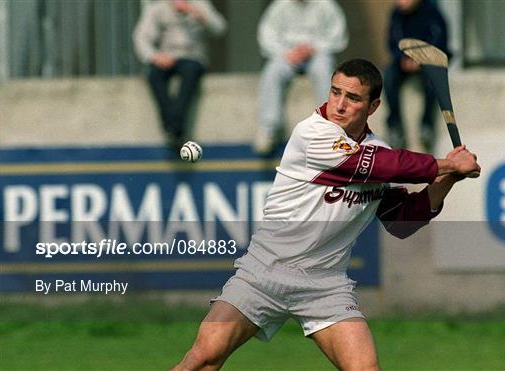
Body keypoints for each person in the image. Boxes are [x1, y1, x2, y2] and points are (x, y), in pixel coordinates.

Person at [172, 59, 480, 370]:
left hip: (325, 284)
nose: (340, 105)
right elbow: (376, 166)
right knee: (203, 360)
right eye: (335, 93)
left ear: (373, 106)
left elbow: (402, 220)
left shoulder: (378, 150)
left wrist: (451, 178)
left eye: (353, 98)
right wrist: (449, 163)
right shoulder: (312, 134)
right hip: (265, 272)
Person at [254, 0, 348, 155]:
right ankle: (268, 128)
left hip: (318, 54)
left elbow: (337, 34)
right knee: (272, 71)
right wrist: (288, 52)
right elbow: (267, 36)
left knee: (324, 72)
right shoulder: (279, 6)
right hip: (287, 55)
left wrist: (313, 48)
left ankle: (329, 128)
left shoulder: (326, 5)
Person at [133, 0, 226, 148]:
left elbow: (219, 28)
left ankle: (173, 127)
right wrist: (154, 56)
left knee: (190, 73)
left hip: (193, 57)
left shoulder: (200, 4)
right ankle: (174, 126)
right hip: (166, 56)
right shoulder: (158, 8)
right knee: (154, 76)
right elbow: (141, 37)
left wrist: (194, 12)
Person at [384, 0, 450, 152]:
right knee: (388, 77)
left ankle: (427, 126)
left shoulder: (432, 12)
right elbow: (392, 41)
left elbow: (439, 41)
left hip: (428, 59)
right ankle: (395, 126)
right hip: (404, 60)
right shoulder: (396, 14)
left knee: (432, 80)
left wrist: (420, 57)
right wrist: (403, 57)